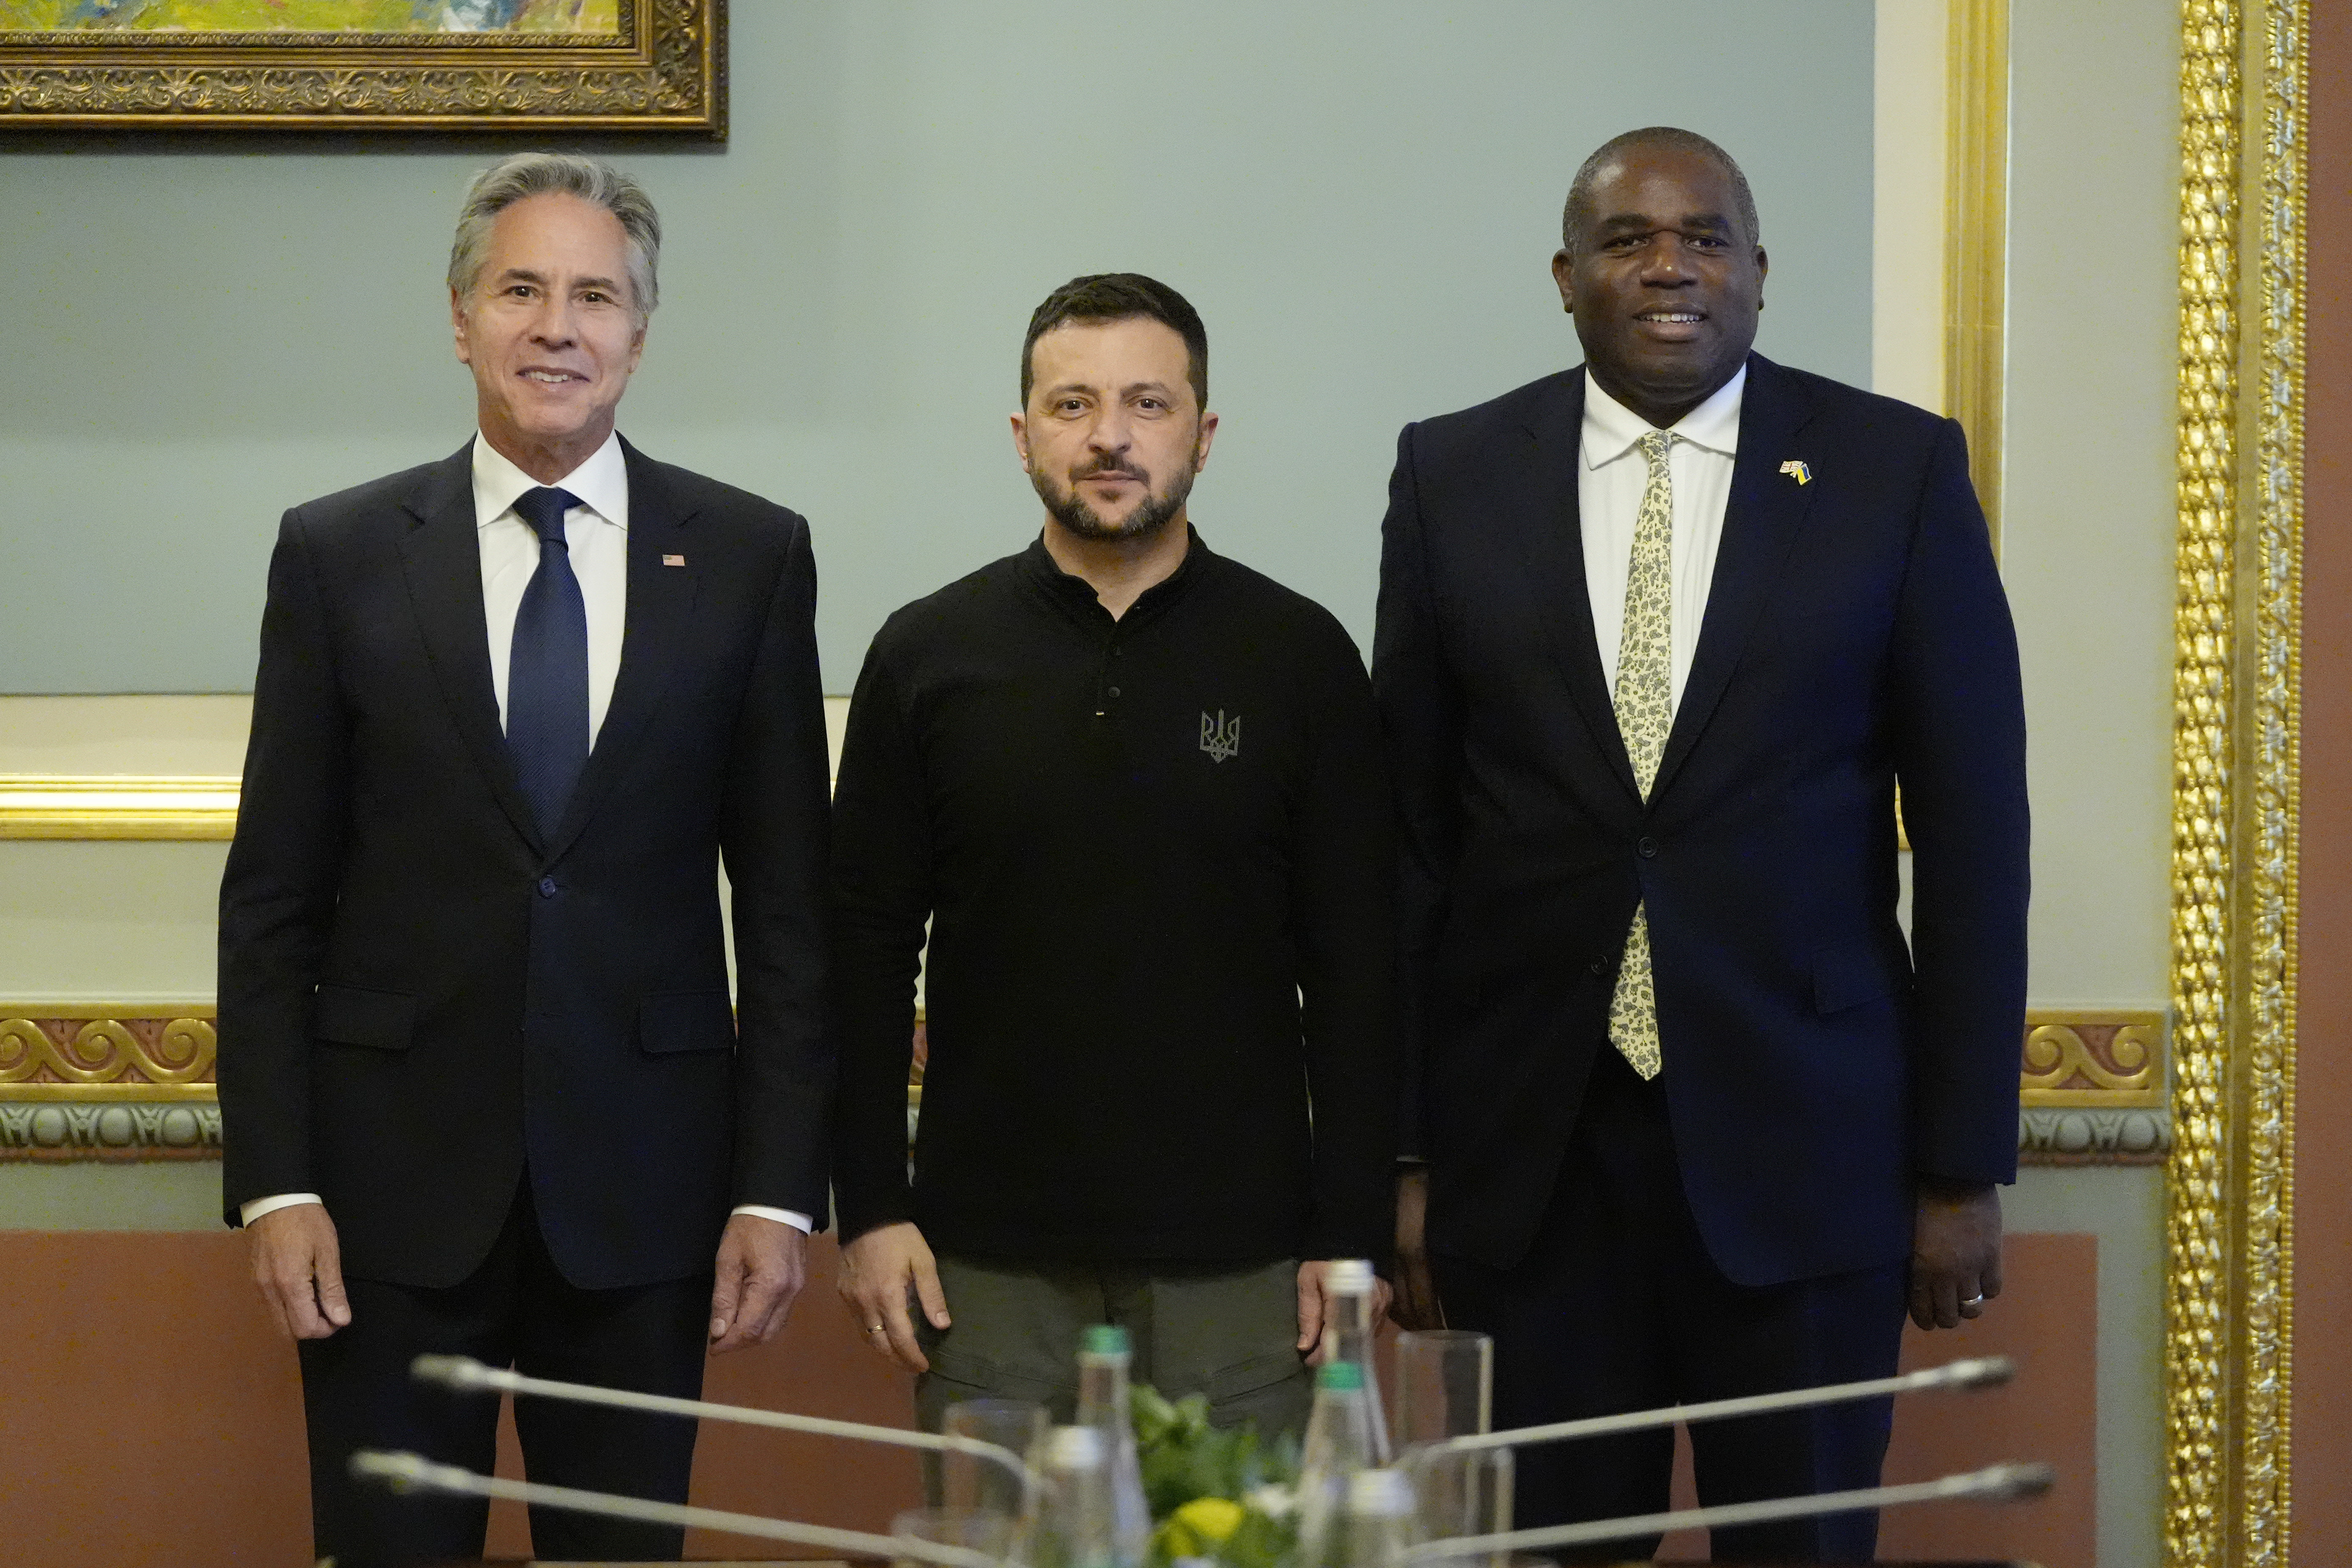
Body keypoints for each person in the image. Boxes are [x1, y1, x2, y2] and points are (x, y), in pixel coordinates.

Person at [1374, 127, 2028, 1562]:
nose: (1668, 265)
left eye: (1705, 236)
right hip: (1531, 1166)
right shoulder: (1452, 473)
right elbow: (1410, 842)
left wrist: (1960, 1164)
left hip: (1811, 1156)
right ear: (1565, 278)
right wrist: (1405, 1154)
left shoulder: (1891, 470)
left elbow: (1976, 834)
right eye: (1625, 239)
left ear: (1758, 272)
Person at [217, 153, 833, 1568]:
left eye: (595, 296)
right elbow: (272, 901)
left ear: (638, 333)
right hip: (384, 1204)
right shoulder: (340, 554)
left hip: (650, 1198)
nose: (557, 326)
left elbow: (791, 902)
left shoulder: (746, 556)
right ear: (459, 319)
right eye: (520, 289)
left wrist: (774, 1185)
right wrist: (277, 1181)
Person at [829, 273, 1395, 1438]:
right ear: (1021, 431)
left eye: (1147, 403)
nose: (1109, 437)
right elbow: (864, 952)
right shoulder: (927, 655)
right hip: (982, 1264)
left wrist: (1350, 1234)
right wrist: (871, 1207)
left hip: (1243, 1270)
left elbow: (1358, 968)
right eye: (1072, 404)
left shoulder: (1297, 657)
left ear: (1203, 432)